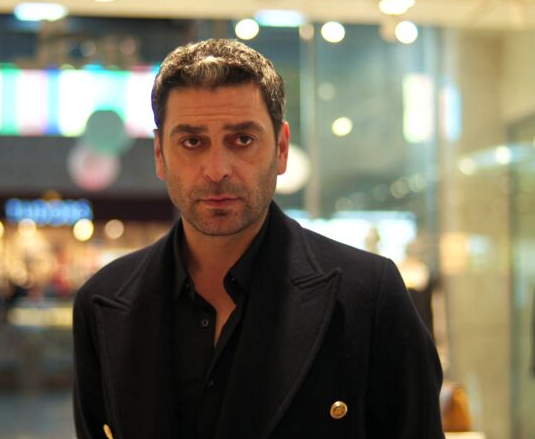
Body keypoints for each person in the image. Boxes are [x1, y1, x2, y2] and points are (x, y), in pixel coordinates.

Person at [72, 38, 444, 439]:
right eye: (192, 142)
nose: (217, 169)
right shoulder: (102, 302)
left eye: (242, 140)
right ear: (160, 155)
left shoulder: (368, 297)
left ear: (281, 149)